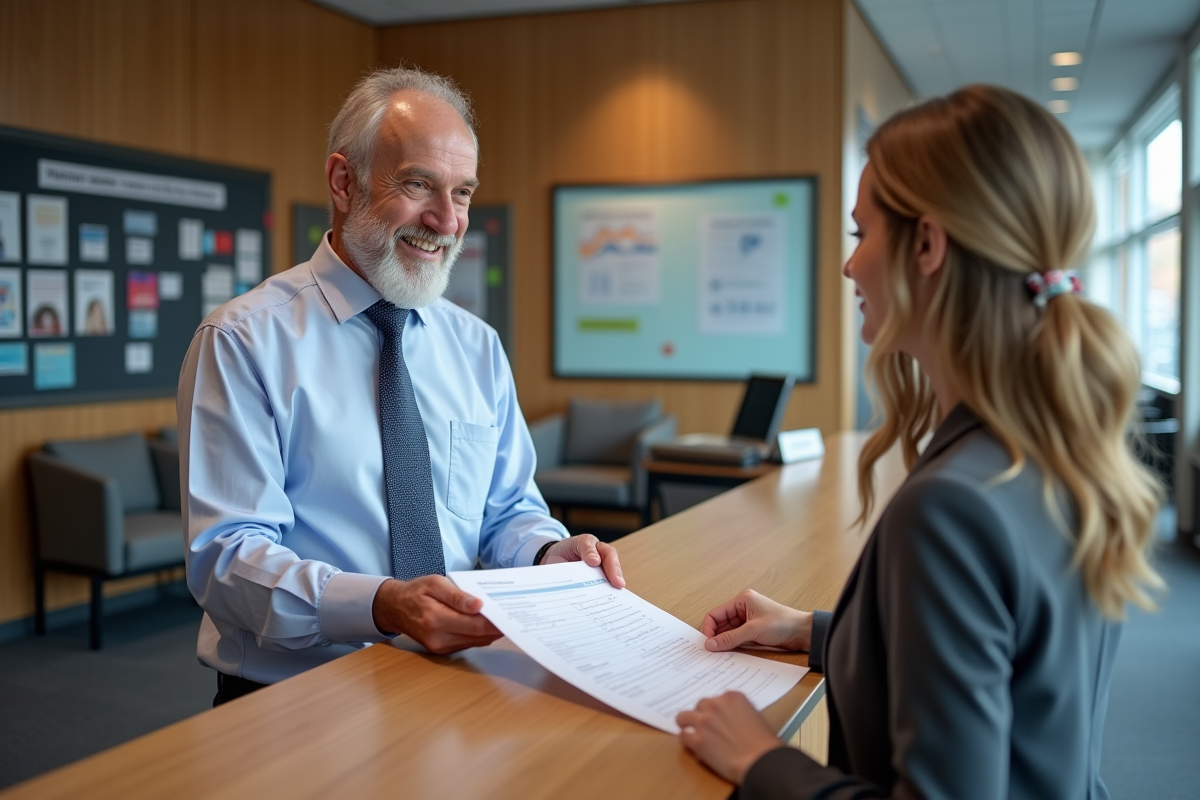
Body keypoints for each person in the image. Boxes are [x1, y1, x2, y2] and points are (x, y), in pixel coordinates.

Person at [675, 85, 1164, 799]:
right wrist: (814, 631)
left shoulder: (950, 507)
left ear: (927, 244)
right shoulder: (1056, 452)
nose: (850, 267)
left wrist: (761, 761)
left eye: (859, 235)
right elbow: (1005, 659)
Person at [178, 66, 623, 706]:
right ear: (343, 181)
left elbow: (505, 511)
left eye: (463, 192)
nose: (446, 220)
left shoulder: (477, 346)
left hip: (461, 686)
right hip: (295, 702)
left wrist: (548, 552)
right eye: (418, 184)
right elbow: (227, 559)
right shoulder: (243, 341)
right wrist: (383, 604)